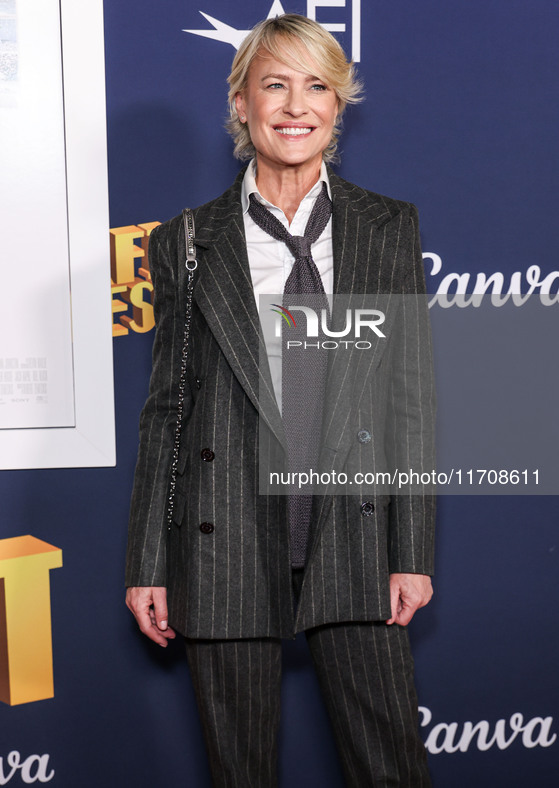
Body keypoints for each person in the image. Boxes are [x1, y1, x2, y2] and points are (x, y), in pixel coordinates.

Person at [125, 13, 435, 787]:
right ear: (240, 104)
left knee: (390, 769)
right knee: (241, 772)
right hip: (222, 532)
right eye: (273, 85)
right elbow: (168, 408)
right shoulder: (186, 240)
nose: (295, 106)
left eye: (316, 87)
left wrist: (412, 551)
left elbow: (409, 397)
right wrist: (148, 562)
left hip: (353, 534)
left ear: (338, 107)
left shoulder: (386, 227)